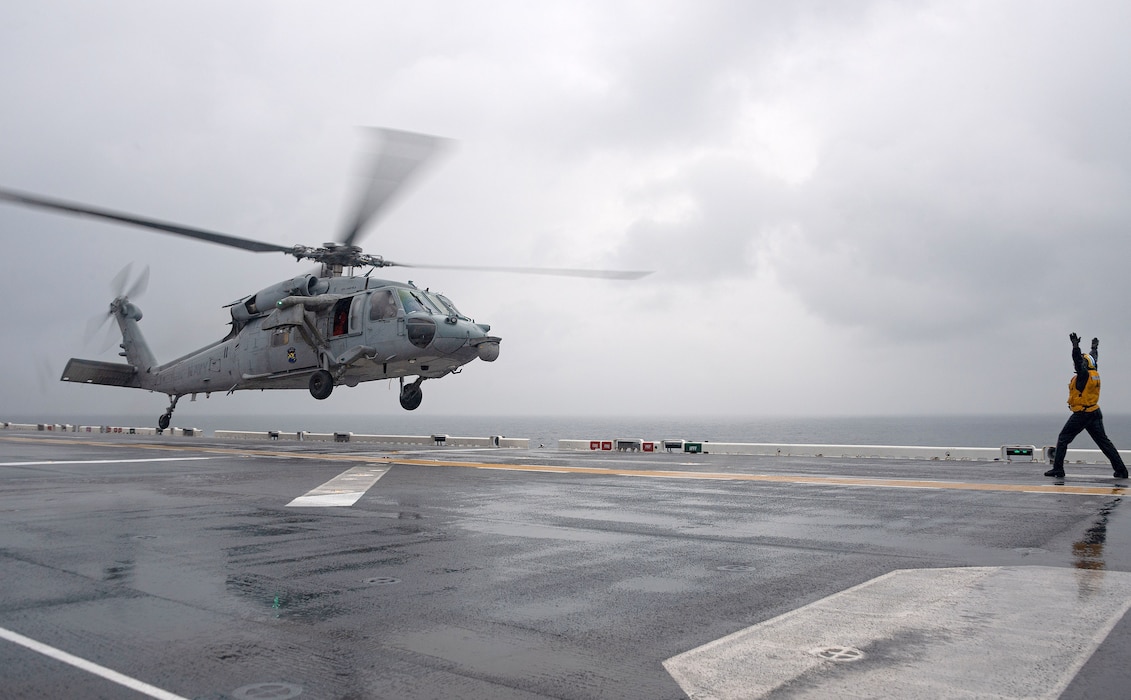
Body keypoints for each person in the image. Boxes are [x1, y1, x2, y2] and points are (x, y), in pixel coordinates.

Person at [1045, 333, 1129, 478]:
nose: (1076, 365)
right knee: (1104, 443)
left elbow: (1078, 361)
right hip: (1094, 412)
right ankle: (1121, 471)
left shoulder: (1083, 376)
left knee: (1063, 438)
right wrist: (1094, 348)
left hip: (1082, 414)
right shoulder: (1094, 373)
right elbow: (1093, 358)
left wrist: (1075, 346)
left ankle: (1058, 469)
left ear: (1084, 365)